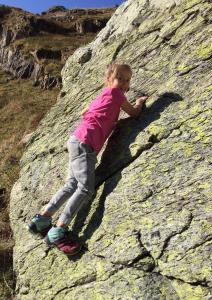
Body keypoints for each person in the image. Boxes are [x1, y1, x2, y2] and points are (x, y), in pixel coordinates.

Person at [27, 62, 148, 255]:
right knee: (85, 188)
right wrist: (140, 103)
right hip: (86, 145)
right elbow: (133, 113)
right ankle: (59, 230)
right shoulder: (117, 94)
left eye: (127, 79)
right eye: (120, 78)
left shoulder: (103, 96)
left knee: (71, 184)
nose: (124, 82)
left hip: (77, 140)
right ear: (109, 79)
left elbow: (85, 112)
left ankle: (41, 220)